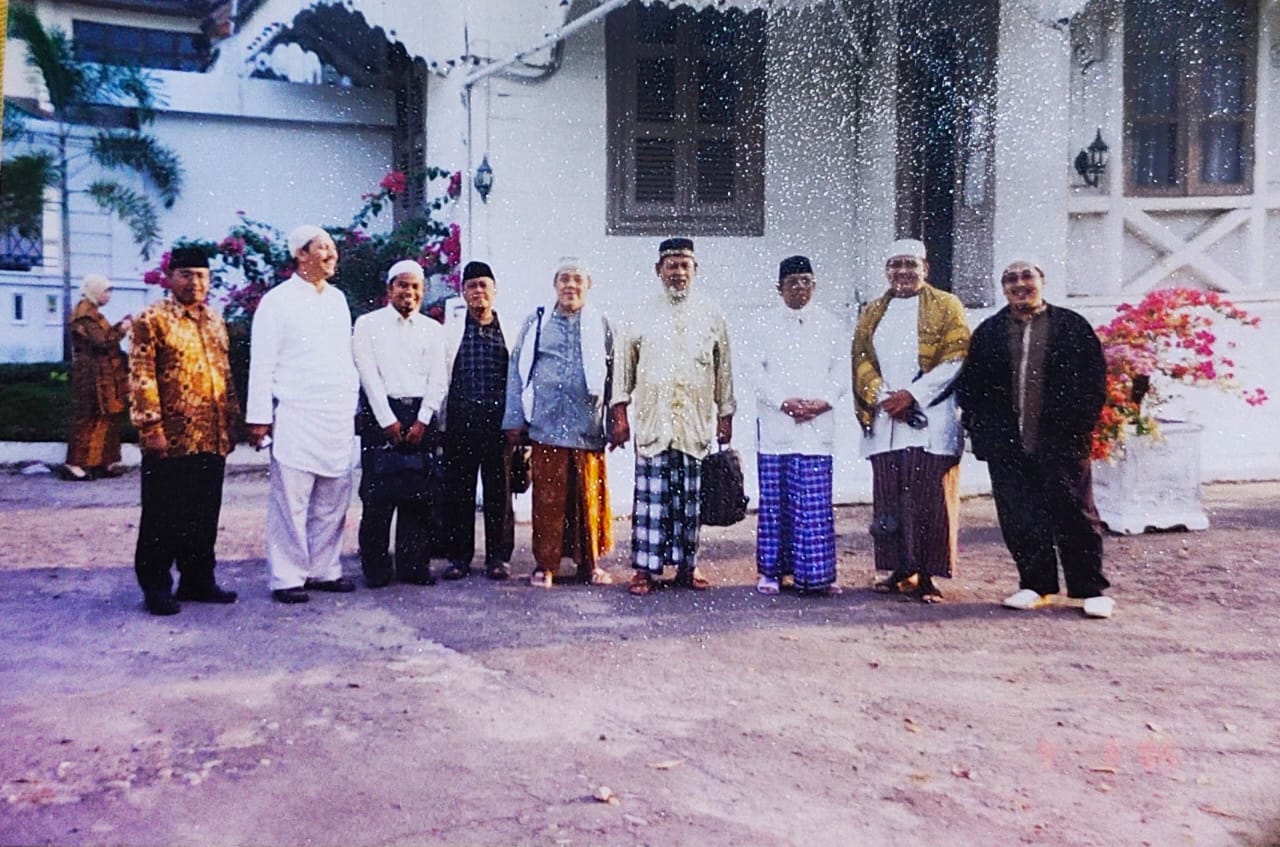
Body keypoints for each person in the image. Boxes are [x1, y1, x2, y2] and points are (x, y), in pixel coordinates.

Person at [959, 257, 1114, 619]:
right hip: (1008, 445)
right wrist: (983, 433)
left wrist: (1080, 428)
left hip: (1061, 442)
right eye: (1010, 279)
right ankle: (1035, 585)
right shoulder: (989, 332)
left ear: (1041, 281)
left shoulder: (1071, 326)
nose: (1019, 284)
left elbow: (1094, 382)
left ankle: (1089, 589)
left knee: (1075, 513)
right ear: (1003, 288)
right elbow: (972, 388)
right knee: (1020, 515)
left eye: (1026, 276)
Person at [610, 237, 735, 597]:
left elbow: (724, 370)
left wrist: (725, 413)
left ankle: (687, 567)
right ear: (658, 270)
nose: (678, 272)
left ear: (695, 270)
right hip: (654, 423)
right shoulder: (639, 313)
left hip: (693, 424)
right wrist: (620, 412)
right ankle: (645, 572)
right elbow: (623, 369)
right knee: (652, 501)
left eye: (685, 265)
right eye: (671, 265)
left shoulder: (712, 314)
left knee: (689, 501)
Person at [246, 225, 360, 604]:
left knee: (333, 499)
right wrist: (259, 416)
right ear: (301, 254)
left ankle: (325, 569)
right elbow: (261, 363)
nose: (332, 255)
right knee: (291, 501)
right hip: (296, 413)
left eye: (333, 249)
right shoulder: (276, 302)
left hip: (336, 416)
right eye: (323, 249)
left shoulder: (338, 300)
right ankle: (287, 576)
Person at [853, 238, 969, 604]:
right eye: (895, 265)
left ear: (925, 268)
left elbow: (956, 357)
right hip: (887, 418)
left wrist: (912, 396)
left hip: (929, 417)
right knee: (890, 497)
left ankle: (929, 577)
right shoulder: (873, 311)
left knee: (929, 499)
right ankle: (899, 568)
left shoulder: (947, 305)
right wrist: (885, 397)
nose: (903, 272)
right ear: (887, 270)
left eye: (910, 264)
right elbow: (860, 358)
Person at [128, 246, 240, 615]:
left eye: (202, 276)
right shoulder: (153, 319)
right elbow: (141, 375)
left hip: (210, 435)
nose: (195, 283)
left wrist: (232, 421)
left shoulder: (213, 319)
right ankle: (157, 587)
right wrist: (150, 426)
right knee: (163, 515)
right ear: (170, 277)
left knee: (204, 512)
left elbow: (224, 375)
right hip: (170, 437)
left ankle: (198, 581)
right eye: (186, 275)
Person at [502, 257, 615, 588]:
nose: (571, 286)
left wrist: (615, 421)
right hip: (547, 426)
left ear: (588, 286)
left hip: (587, 426)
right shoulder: (538, 322)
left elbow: (614, 376)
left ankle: (590, 565)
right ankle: (545, 565)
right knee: (548, 500)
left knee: (587, 499)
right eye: (564, 279)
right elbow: (517, 371)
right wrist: (514, 419)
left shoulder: (601, 324)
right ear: (555, 285)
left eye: (578, 280)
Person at [751, 255, 847, 597]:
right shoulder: (764, 324)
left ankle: (818, 575)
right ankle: (771, 573)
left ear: (815, 286)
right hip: (778, 426)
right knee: (776, 504)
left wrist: (823, 401)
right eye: (793, 282)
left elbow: (840, 371)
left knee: (815, 504)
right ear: (779, 288)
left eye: (806, 281)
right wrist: (783, 402)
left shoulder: (831, 325)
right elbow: (755, 371)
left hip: (817, 425)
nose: (800, 288)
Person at [352, 259, 449, 589]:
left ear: (422, 292)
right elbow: (368, 374)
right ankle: (376, 570)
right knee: (378, 497)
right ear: (390, 289)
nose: (409, 292)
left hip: (421, 416)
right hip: (382, 415)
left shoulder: (433, 330)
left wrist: (423, 420)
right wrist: (387, 421)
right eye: (402, 285)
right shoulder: (367, 325)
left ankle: (412, 566)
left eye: (415, 287)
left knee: (418, 498)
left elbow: (439, 378)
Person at [439, 260, 515, 582]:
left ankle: (498, 559)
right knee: (459, 492)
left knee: (500, 492)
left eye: (484, 285)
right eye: (472, 286)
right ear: (463, 292)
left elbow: (520, 378)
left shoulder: (508, 328)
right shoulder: (451, 331)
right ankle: (458, 558)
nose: (478, 292)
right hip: (461, 421)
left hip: (497, 424)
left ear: (494, 290)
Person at [65, 274, 130, 481]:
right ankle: (74, 463)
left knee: (107, 413)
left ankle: (102, 462)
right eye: (106, 291)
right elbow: (101, 342)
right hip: (91, 372)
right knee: (89, 413)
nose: (108, 295)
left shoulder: (93, 312)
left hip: (102, 371)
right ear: (94, 292)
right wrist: (122, 328)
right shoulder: (84, 314)